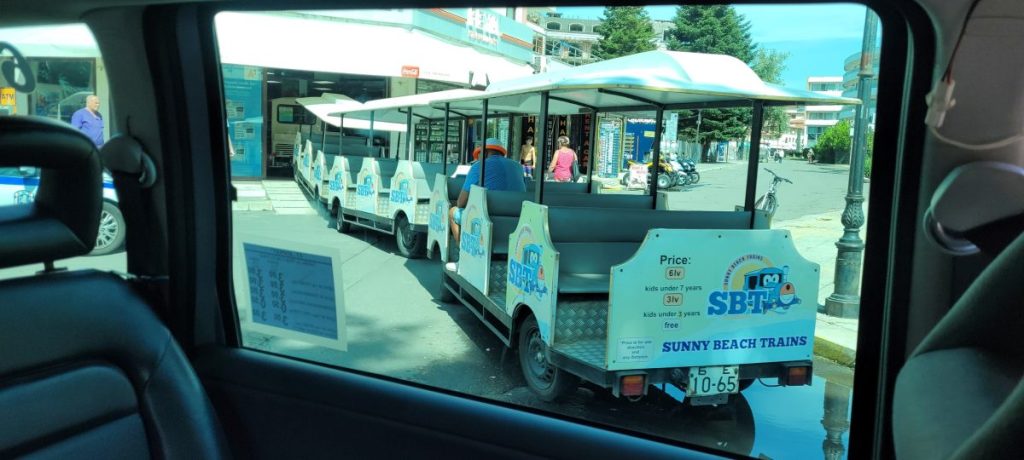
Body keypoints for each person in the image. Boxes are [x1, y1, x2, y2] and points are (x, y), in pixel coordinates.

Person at [447, 138, 526, 271]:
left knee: (453, 211)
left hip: (487, 221)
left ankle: (464, 259)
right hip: (518, 220)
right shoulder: (518, 167)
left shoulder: (478, 166)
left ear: (485, 152)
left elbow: (461, 202)